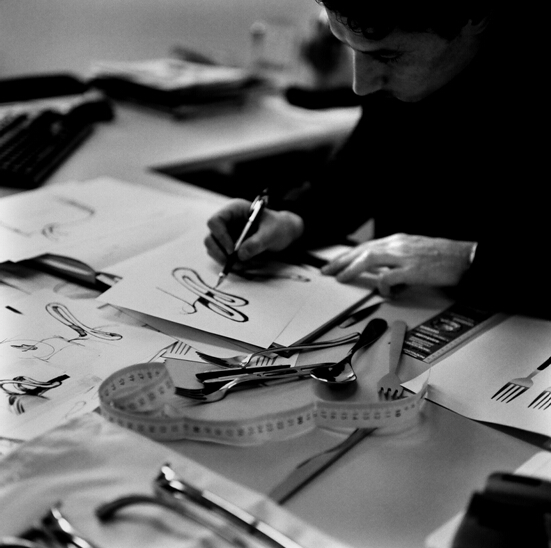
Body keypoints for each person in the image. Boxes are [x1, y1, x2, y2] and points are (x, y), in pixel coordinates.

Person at [204, 2, 549, 319]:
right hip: (407, 313)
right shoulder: (400, 77)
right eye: (348, 46)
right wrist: (292, 219)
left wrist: (469, 259)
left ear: (477, 15)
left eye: (387, 56)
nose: (361, 85)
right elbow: (360, 171)